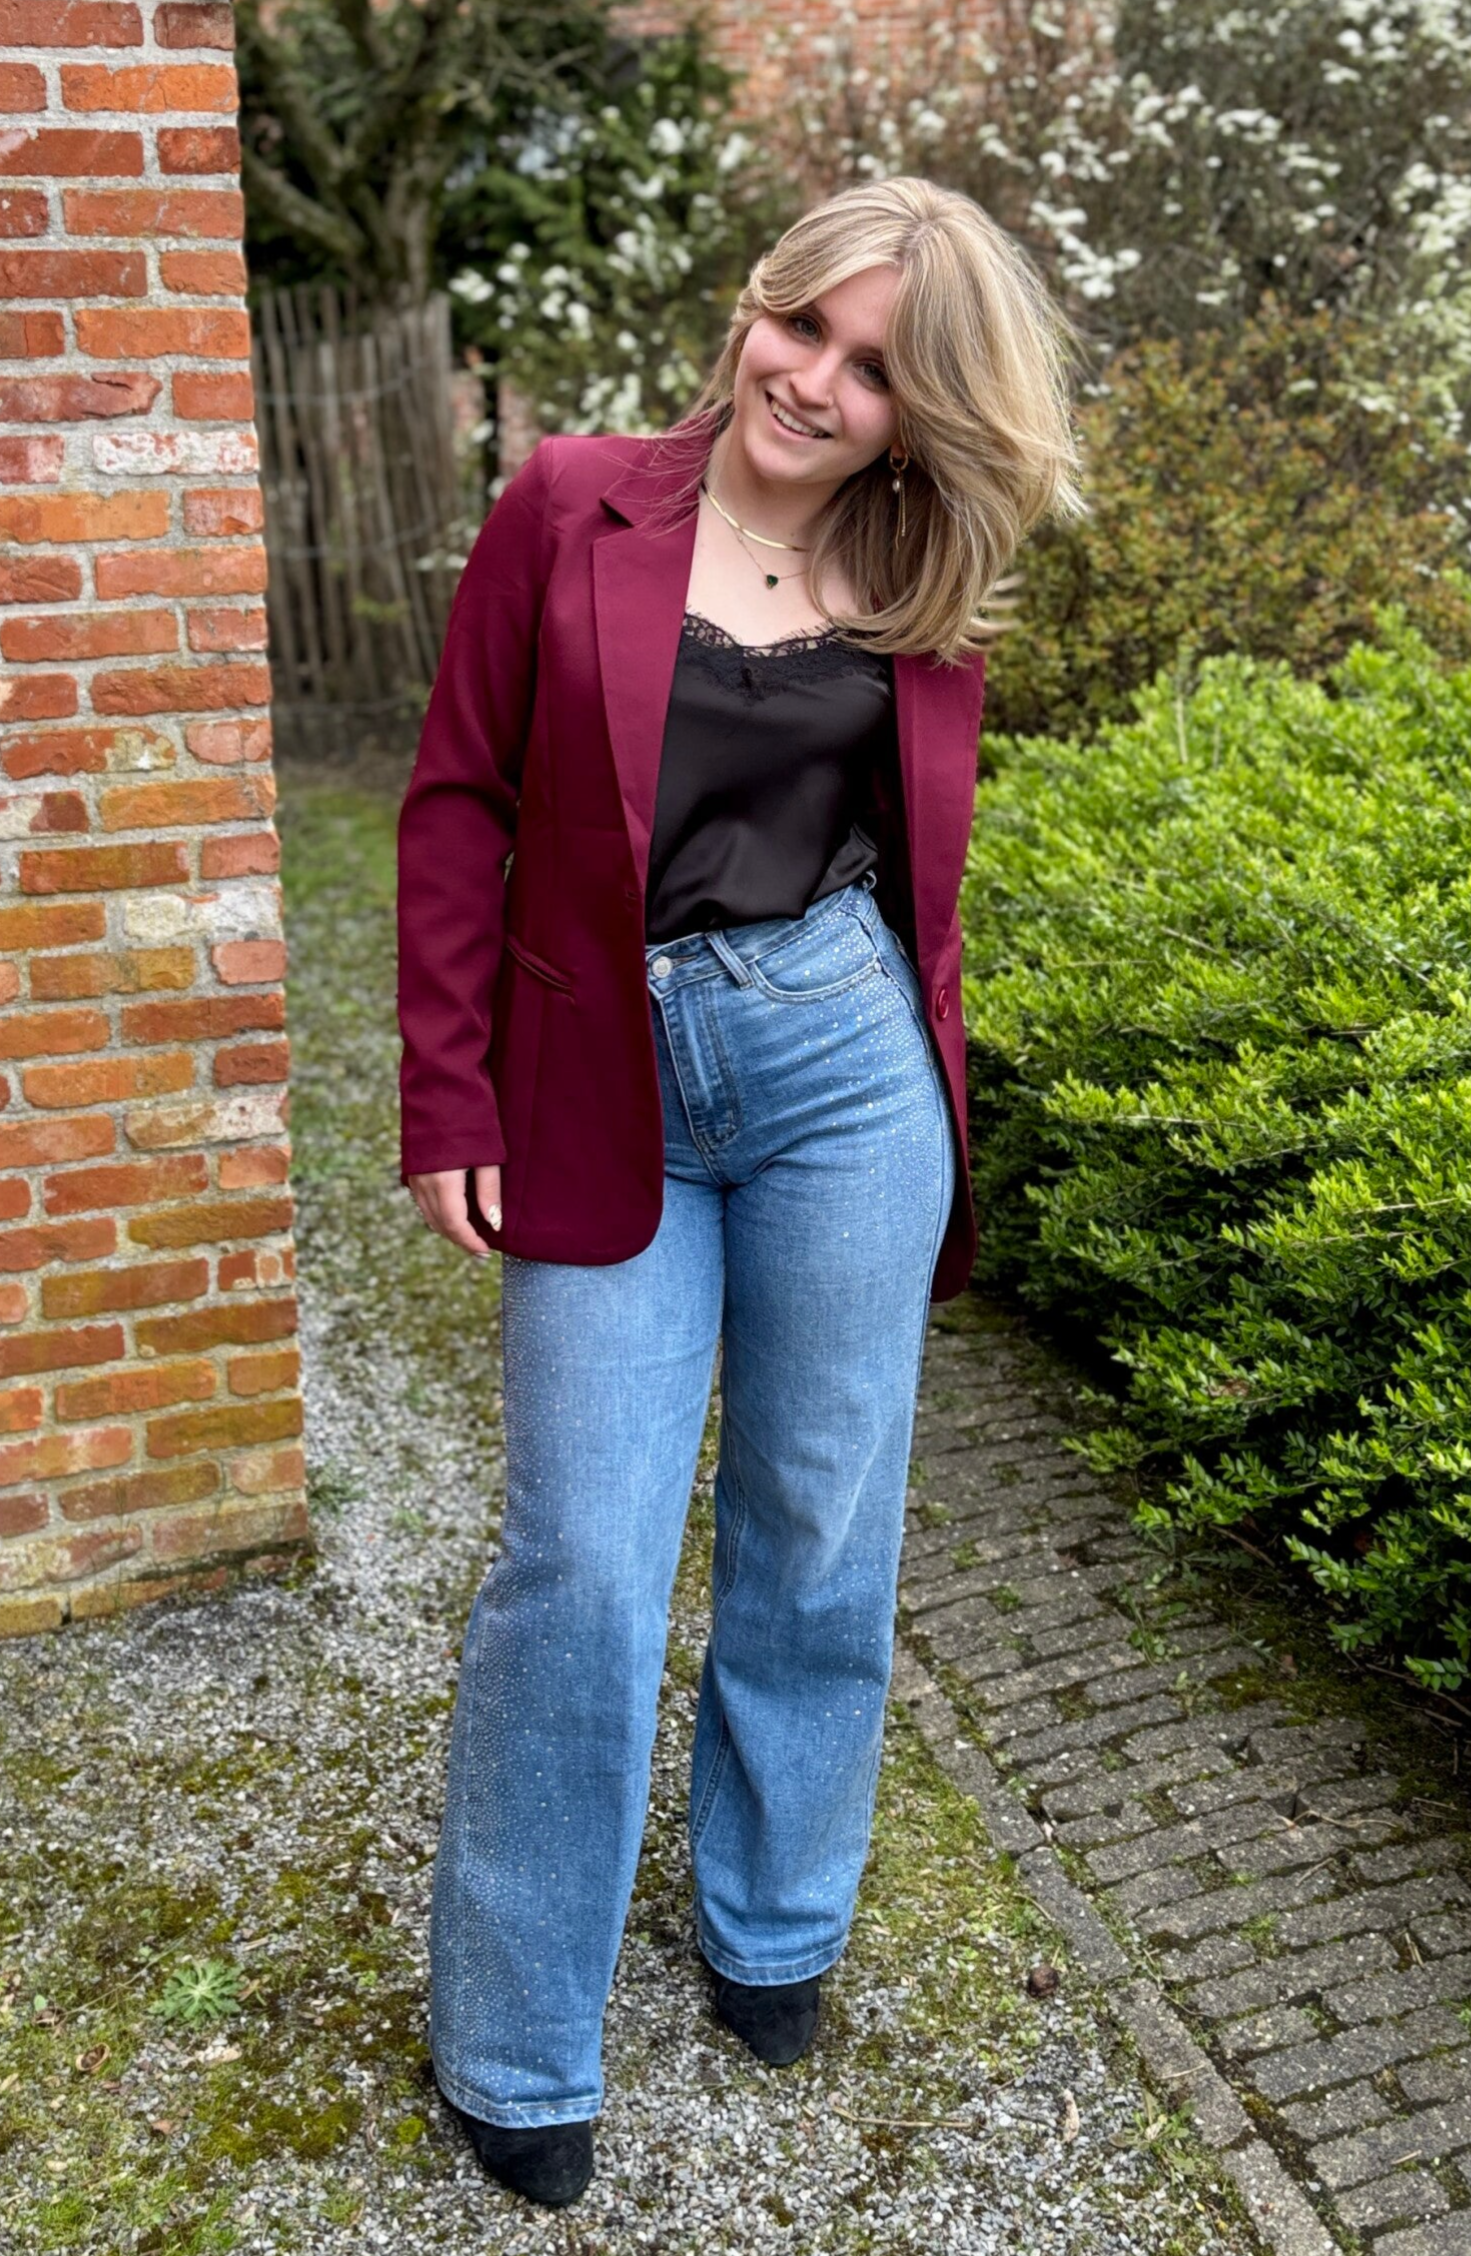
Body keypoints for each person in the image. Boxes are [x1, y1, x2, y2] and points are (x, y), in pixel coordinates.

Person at [397, 174, 1082, 2209]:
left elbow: (915, 870)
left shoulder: (917, 574)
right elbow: (457, 797)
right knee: (581, 1565)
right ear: (753, 309)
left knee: (817, 1519)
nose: (814, 382)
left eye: (875, 370)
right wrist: (448, 1092)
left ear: (919, 412)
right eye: (805, 327)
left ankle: (774, 1923)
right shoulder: (570, 503)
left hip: (840, 1076)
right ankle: (516, 2037)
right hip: (598, 1067)